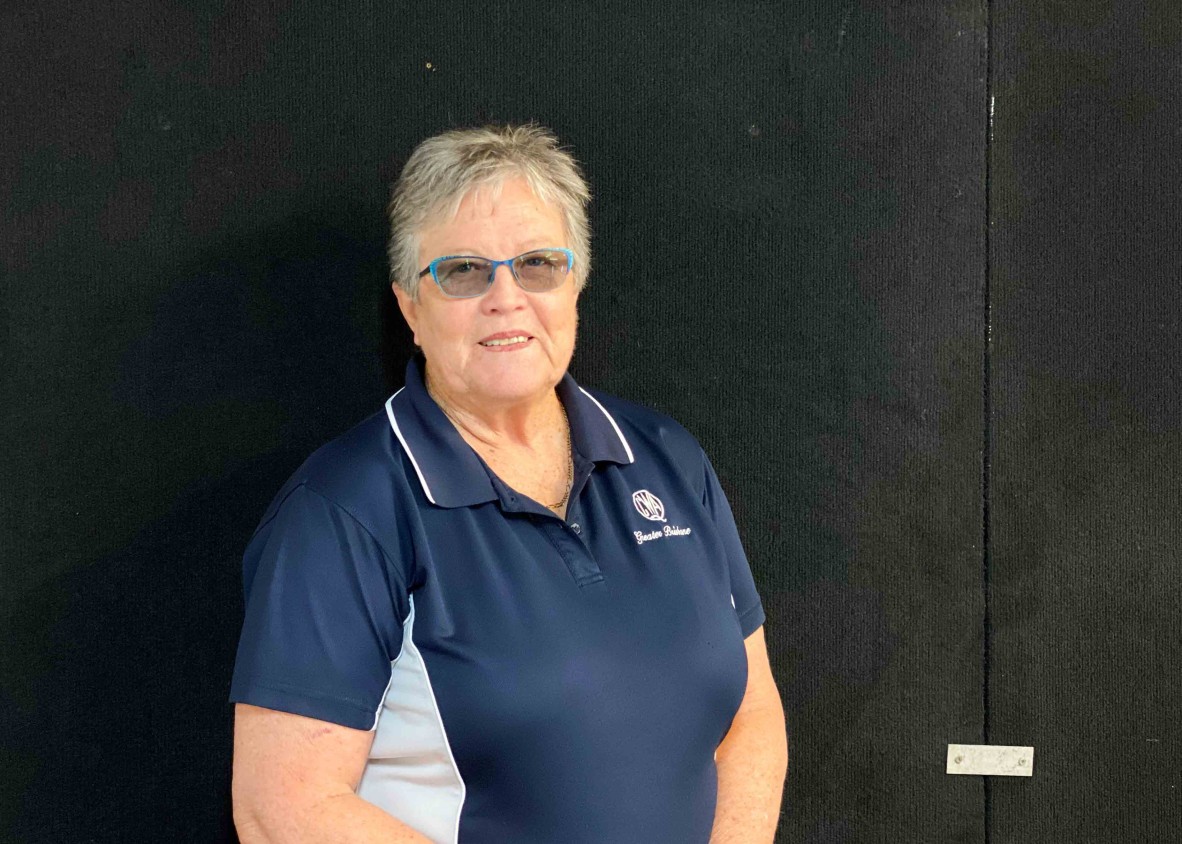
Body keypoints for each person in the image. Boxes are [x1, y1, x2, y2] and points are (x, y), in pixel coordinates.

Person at [230, 124, 787, 843]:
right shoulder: (345, 511)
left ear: (576, 281)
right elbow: (283, 811)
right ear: (409, 307)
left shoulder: (665, 457)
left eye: (537, 264)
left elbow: (752, 713)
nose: (506, 296)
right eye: (463, 271)